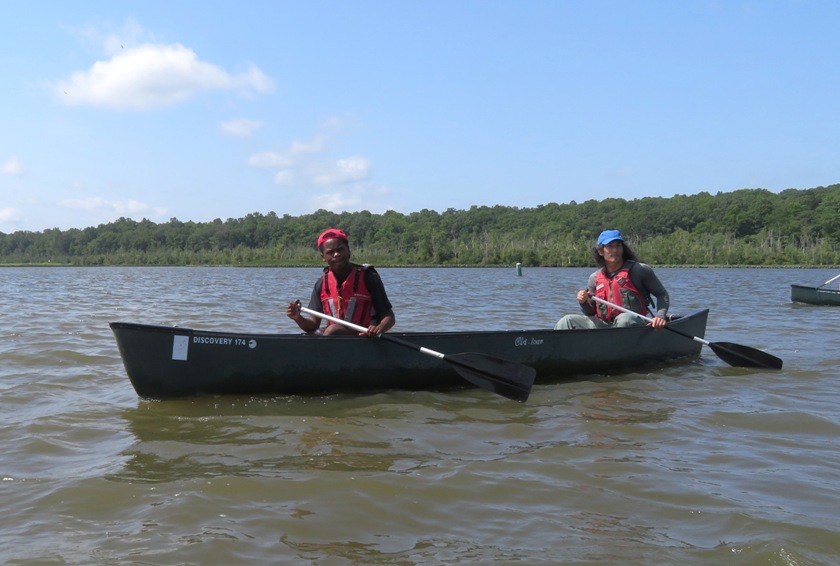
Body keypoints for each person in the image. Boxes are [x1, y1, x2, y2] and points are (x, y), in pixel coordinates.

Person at [286, 228, 396, 337]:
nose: (336, 254)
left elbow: (389, 317)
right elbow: (313, 324)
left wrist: (379, 329)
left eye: (340, 250)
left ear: (348, 251)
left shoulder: (369, 276)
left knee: (332, 330)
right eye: (330, 252)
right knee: (314, 334)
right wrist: (297, 317)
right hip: (335, 339)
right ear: (323, 257)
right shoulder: (321, 284)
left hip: (364, 339)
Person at [555, 229, 669, 330]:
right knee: (567, 320)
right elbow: (591, 312)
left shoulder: (640, 270)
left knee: (625, 319)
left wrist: (660, 316)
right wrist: (583, 302)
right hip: (604, 325)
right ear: (600, 251)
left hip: (634, 324)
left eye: (618, 246)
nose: (615, 250)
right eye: (610, 246)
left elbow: (662, 294)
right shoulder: (594, 278)